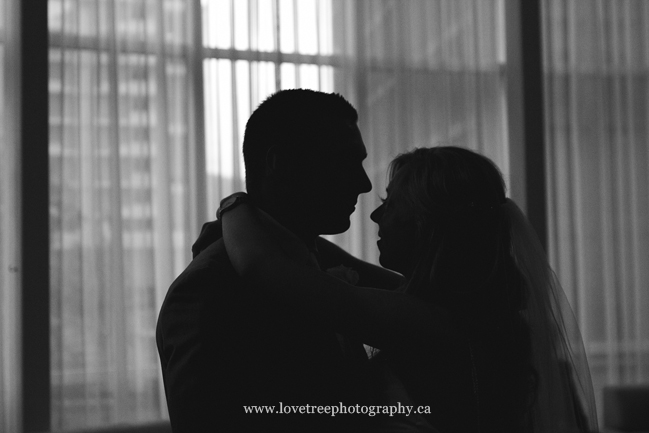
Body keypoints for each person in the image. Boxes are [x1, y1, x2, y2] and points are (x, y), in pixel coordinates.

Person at [219, 146, 600, 432]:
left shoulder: (425, 322)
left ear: (428, 223)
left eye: (392, 203)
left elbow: (262, 268)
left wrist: (234, 206)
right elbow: (342, 265)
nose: (376, 214)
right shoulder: (469, 312)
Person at [155, 89, 404, 432]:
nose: (363, 184)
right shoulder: (207, 291)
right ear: (279, 163)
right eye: (344, 161)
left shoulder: (301, 264)